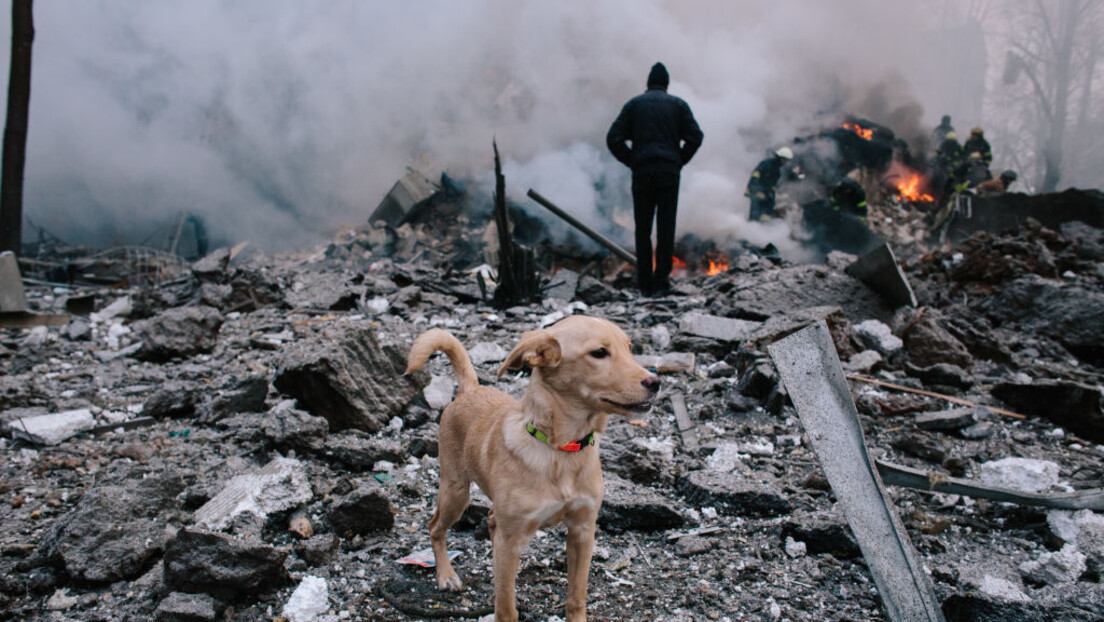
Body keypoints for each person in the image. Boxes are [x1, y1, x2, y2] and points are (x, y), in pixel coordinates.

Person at [607, 62, 703, 296]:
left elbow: (613, 138)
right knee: (666, 226)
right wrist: (679, 160)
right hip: (669, 173)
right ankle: (662, 281)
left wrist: (632, 160)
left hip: (643, 172)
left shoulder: (634, 105)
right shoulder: (678, 105)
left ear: (648, 83)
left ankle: (645, 282)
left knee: (643, 228)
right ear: (667, 84)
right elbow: (696, 136)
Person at [745, 147, 793, 222]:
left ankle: (764, 230)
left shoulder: (777, 170)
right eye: (784, 159)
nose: (785, 162)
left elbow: (773, 186)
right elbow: (755, 176)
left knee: (767, 215)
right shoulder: (766, 164)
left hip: (767, 195)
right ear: (779, 157)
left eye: (786, 160)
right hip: (757, 192)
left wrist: (772, 198)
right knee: (755, 214)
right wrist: (757, 191)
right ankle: (751, 229)